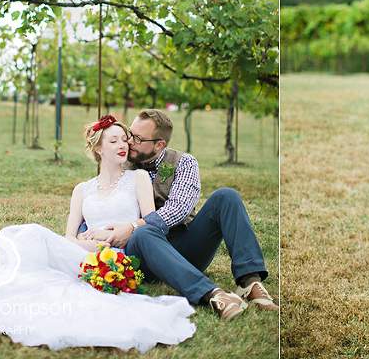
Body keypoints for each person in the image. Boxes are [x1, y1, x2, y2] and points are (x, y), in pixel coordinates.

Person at [0, 116, 196, 352]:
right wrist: (88, 245)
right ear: (98, 149)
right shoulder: (82, 189)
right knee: (30, 234)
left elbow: (148, 224)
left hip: (119, 253)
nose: (123, 145)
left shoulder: (138, 178)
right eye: (113, 141)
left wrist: (113, 236)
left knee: (40, 245)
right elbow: (69, 238)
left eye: (124, 139)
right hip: (81, 252)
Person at [81, 108, 278, 321]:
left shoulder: (184, 162)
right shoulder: (121, 162)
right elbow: (100, 201)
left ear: (159, 145)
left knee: (226, 196)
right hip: (143, 250)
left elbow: (178, 209)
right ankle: (212, 294)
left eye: (138, 139)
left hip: (184, 244)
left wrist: (133, 226)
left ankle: (249, 282)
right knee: (144, 233)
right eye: (131, 133)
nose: (129, 142)